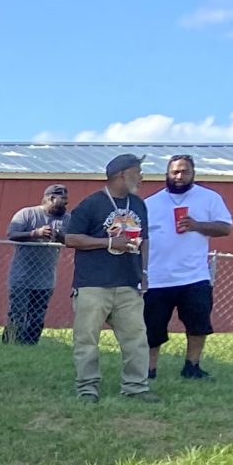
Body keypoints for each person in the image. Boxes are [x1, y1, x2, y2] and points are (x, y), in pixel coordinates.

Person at [61, 152, 152, 400]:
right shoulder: (92, 204)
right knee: (87, 339)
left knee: (136, 338)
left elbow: (144, 241)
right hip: (93, 284)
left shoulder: (138, 204)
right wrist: (109, 241)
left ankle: (136, 388)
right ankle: (87, 389)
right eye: (137, 172)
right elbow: (70, 238)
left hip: (128, 283)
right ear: (121, 174)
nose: (141, 177)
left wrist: (143, 271)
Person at [145, 152, 233, 380]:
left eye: (185, 171)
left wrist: (197, 225)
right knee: (152, 328)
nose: (179, 176)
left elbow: (226, 228)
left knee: (198, 324)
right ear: (167, 173)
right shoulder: (150, 203)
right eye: (175, 171)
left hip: (194, 276)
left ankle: (192, 367)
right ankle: (149, 370)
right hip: (157, 277)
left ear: (193, 173)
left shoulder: (209, 198)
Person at [3, 185, 68, 346]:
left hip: (46, 277)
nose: (66, 205)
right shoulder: (27, 214)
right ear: (51, 198)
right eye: (63, 201)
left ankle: (30, 346)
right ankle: (10, 344)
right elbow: (11, 234)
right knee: (17, 312)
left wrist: (59, 237)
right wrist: (34, 234)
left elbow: (73, 239)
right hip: (21, 275)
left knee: (37, 315)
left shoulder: (67, 219)